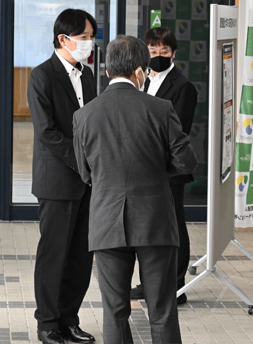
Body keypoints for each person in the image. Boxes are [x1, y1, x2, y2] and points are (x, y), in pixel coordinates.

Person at [73, 35, 198, 344]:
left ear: (106, 72)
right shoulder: (160, 108)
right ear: (141, 72)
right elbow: (187, 162)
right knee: (162, 311)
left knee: (114, 312)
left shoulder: (84, 115)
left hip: (106, 222)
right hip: (154, 220)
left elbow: (85, 171)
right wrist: (157, 171)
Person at [27, 9, 97, 344]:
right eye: (83, 37)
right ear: (63, 39)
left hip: (89, 182)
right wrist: (82, 163)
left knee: (82, 256)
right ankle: (48, 323)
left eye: (90, 37)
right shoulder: (41, 76)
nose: (89, 43)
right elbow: (47, 133)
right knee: (54, 254)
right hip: (58, 180)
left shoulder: (89, 76)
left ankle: (70, 319)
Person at [131, 27, 198, 305]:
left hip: (170, 170)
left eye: (164, 51)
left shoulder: (183, 87)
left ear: (174, 53)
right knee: (149, 228)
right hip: (145, 168)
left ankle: (175, 286)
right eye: (153, 51)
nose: (158, 56)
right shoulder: (143, 81)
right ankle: (151, 283)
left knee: (173, 227)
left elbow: (177, 132)